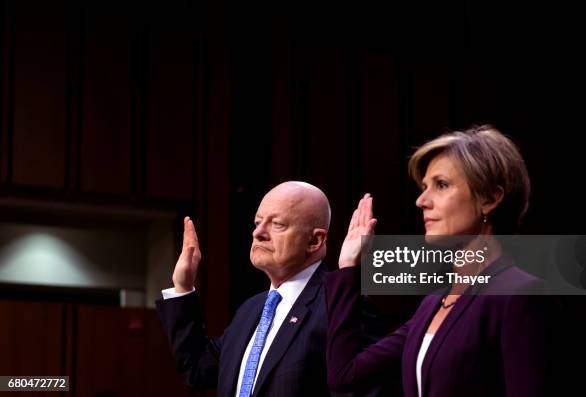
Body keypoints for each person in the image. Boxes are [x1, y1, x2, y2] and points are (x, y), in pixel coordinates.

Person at [325, 125, 558, 396]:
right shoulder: (433, 303)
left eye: (442, 185)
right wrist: (349, 269)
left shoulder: (520, 294)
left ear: (490, 198)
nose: (421, 201)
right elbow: (344, 376)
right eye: (424, 187)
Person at [156, 181, 382, 397]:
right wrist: (183, 287)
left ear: (314, 241)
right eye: (257, 222)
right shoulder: (251, 309)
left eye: (277, 224)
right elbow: (197, 369)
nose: (258, 233)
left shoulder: (343, 304)